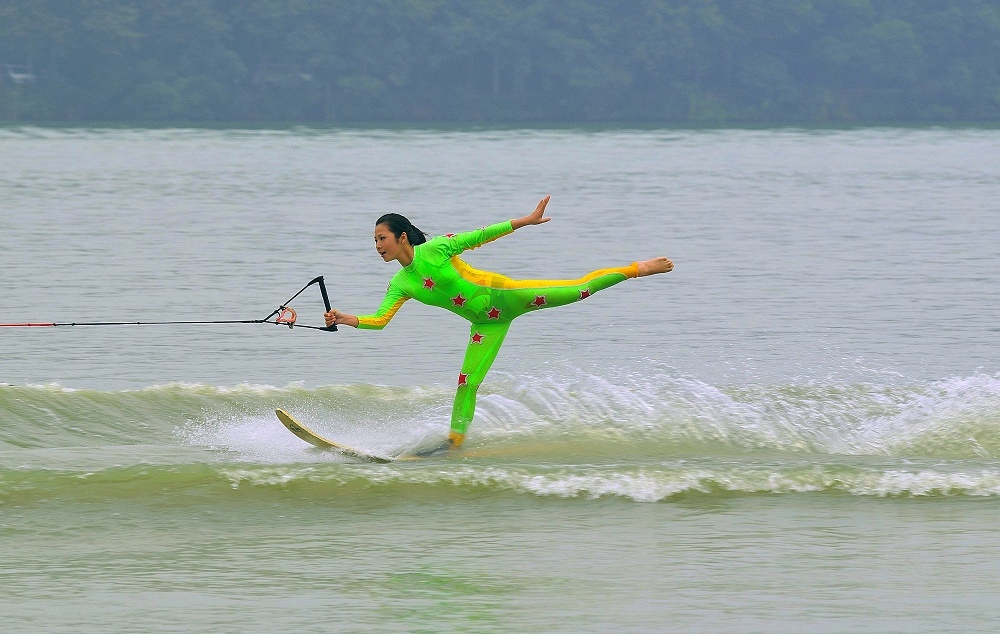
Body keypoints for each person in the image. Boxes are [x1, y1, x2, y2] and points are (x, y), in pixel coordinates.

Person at [324, 195, 673, 449]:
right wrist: (344, 318)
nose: (377, 246)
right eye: (374, 241)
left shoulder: (437, 248)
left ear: (401, 238)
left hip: (509, 295)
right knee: (466, 382)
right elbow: (380, 320)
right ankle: (454, 443)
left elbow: (482, 235)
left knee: (580, 290)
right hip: (486, 325)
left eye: (381, 238)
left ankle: (635, 269)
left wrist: (526, 220)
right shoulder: (400, 284)